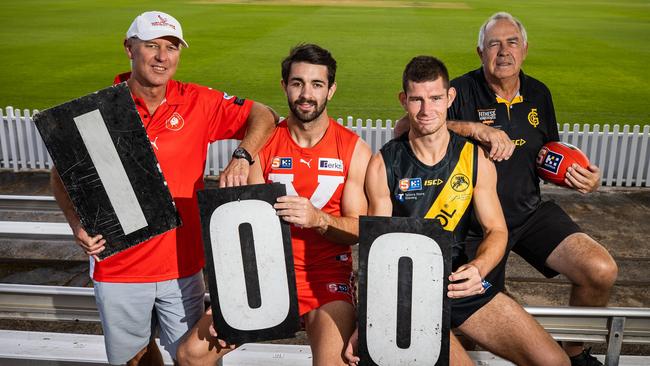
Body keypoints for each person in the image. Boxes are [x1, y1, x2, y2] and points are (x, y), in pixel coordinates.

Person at [50, 10, 277, 365]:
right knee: (136, 359)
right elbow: (60, 175)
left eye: (171, 48)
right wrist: (76, 224)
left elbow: (264, 114)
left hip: (183, 266)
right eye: (151, 46)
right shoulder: (100, 109)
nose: (162, 57)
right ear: (129, 48)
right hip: (119, 264)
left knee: (197, 359)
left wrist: (243, 155)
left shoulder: (199, 101)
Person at [394, 12, 617, 365]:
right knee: (472, 316)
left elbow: (548, 156)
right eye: (494, 44)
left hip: (529, 213)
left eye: (512, 42)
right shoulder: (462, 91)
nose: (503, 51)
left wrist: (582, 176)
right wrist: (475, 129)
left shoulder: (539, 93)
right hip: (471, 225)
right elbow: (405, 125)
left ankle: (575, 354)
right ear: (480, 51)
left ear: (524, 49)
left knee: (600, 269)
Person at [346, 55, 568, 366]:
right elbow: (377, 250)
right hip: (409, 291)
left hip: (459, 283)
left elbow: (496, 230)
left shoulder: (475, 159)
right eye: (417, 100)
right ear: (403, 100)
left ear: (450, 97)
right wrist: (368, 320)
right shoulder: (384, 164)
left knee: (554, 362)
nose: (426, 110)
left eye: (436, 98)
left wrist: (478, 268)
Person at [176, 44, 372, 366]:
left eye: (317, 84)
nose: (306, 93)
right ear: (284, 86)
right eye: (297, 83)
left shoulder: (354, 149)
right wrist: (230, 300)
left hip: (325, 278)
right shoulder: (265, 143)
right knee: (190, 355)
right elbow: (242, 229)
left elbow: (359, 229)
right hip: (267, 275)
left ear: (331, 90)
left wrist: (319, 219)